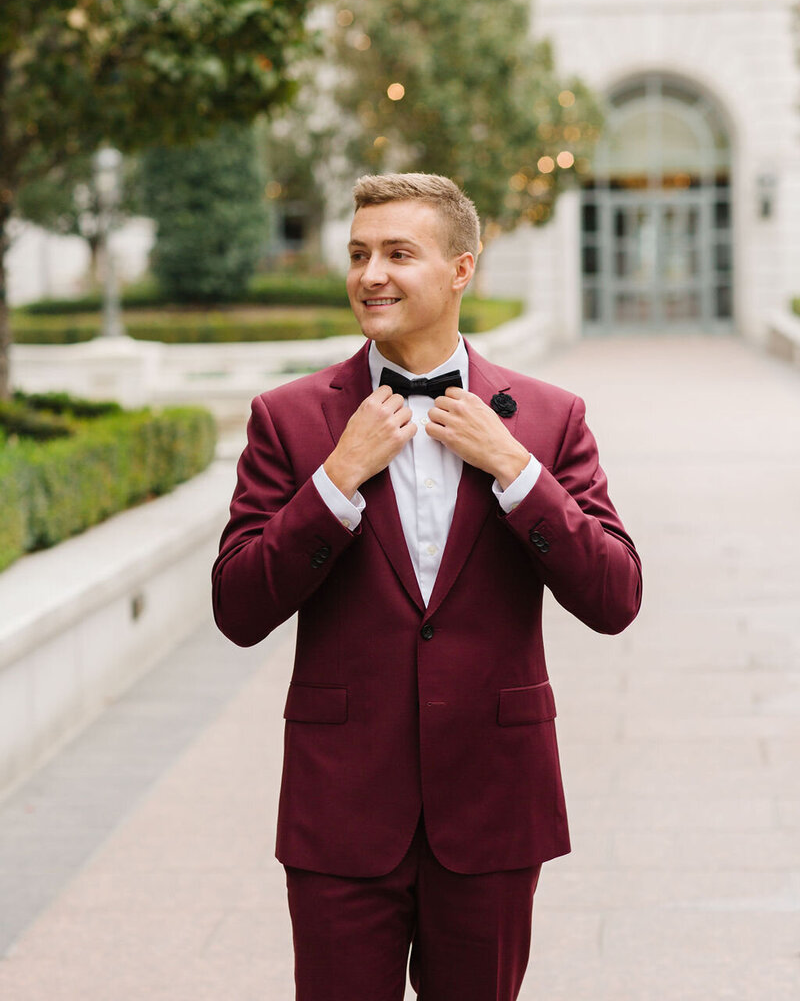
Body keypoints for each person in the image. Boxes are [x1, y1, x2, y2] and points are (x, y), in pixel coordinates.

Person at [212, 172, 642, 1001]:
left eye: (398, 253)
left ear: (461, 270)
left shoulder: (548, 417)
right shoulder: (291, 418)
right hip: (340, 809)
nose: (370, 273)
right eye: (358, 254)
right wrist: (336, 479)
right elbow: (237, 607)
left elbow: (616, 596)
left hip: (493, 802)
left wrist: (516, 470)